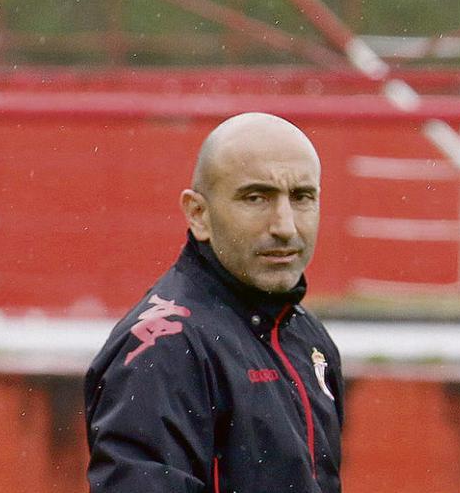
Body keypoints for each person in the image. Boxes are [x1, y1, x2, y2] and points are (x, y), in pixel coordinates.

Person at [84, 112, 344, 493]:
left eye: (302, 197)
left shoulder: (307, 335)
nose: (285, 225)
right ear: (198, 214)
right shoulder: (165, 352)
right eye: (256, 198)